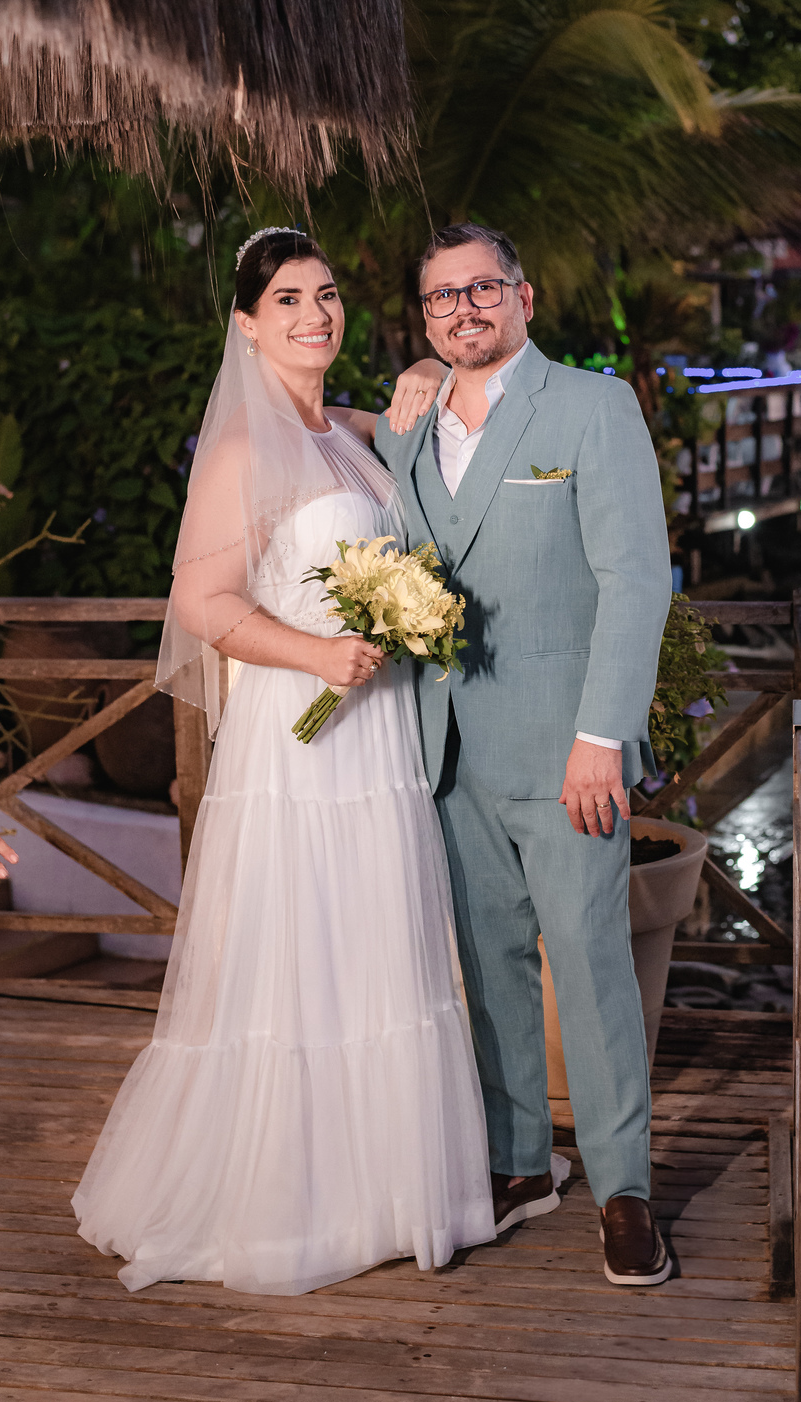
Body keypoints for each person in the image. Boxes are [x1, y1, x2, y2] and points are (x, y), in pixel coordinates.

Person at [73, 228, 496, 1295]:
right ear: (248, 326)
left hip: (377, 736)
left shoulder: (345, 432)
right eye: (290, 300)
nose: (317, 314)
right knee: (299, 953)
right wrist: (316, 653)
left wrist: (424, 364)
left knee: (374, 946)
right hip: (299, 734)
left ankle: (387, 1190)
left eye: (329, 294)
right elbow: (199, 602)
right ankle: (286, 1202)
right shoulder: (240, 451)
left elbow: (432, 404)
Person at [375, 222, 673, 1286]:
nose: (463, 309)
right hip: (445, 749)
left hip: (566, 754)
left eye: (482, 289)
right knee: (486, 964)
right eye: (441, 298)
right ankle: (518, 1161)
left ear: (525, 296)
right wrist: (411, 382)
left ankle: (625, 1189)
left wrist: (603, 739)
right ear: (424, 318)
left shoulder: (593, 407)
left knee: (590, 963)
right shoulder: (404, 427)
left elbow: (637, 579)